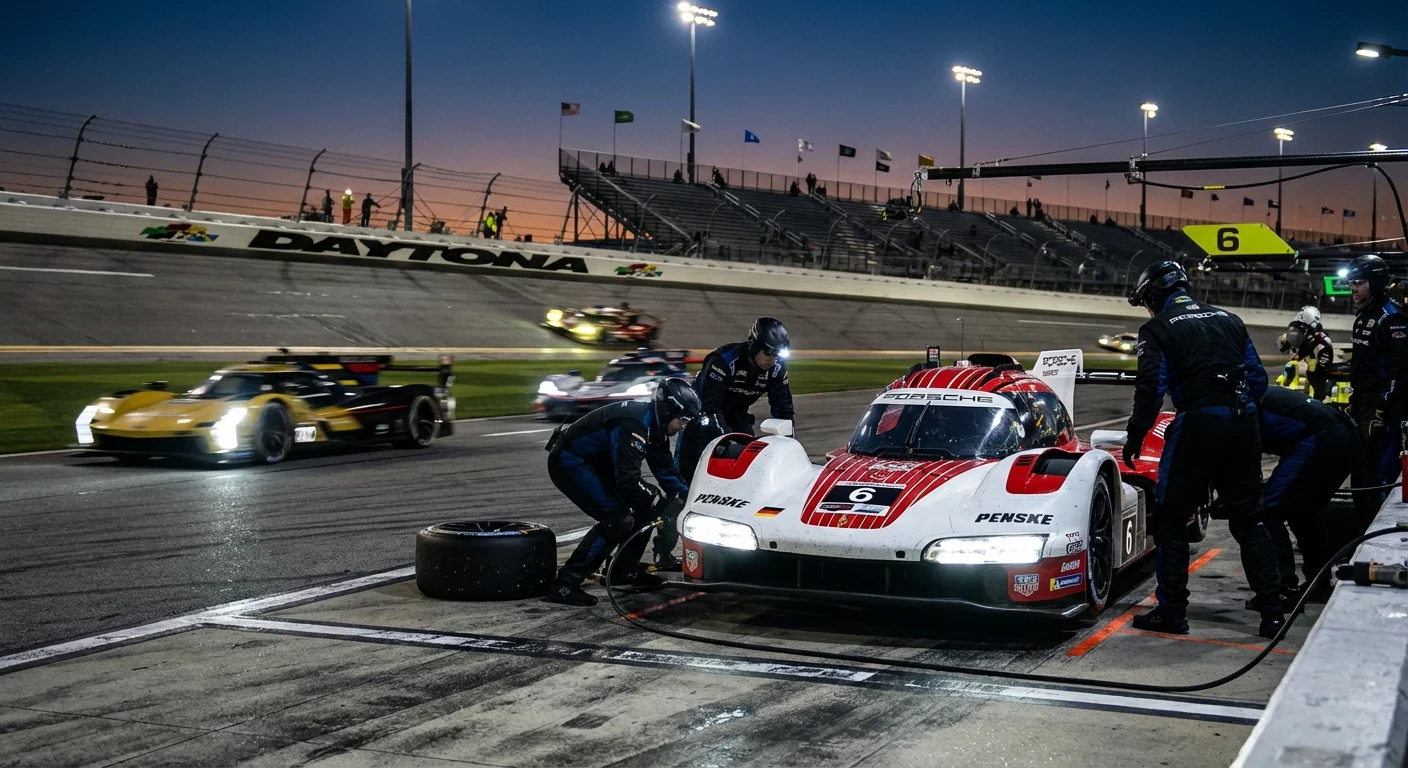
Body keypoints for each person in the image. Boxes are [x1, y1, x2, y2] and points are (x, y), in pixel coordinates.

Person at [1123, 260, 1286, 638]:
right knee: (1250, 519)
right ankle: (1273, 613)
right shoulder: (1230, 319)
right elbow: (1257, 379)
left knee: (1171, 519)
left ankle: (1172, 613)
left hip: (1197, 426)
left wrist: (1136, 435)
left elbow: (1150, 389)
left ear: (1153, 295)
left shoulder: (1158, 328)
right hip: (1242, 425)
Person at [543, 379, 700, 606]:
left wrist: (690, 498)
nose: (684, 426)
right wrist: (658, 501)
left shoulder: (656, 427)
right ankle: (565, 583)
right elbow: (628, 481)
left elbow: (666, 473)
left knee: (648, 510)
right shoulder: (634, 424)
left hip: (597, 463)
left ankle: (622, 572)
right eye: (683, 420)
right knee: (617, 520)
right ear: (668, 411)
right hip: (570, 461)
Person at [670, 318, 797, 566]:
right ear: (753, 347)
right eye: (768, 354)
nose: (772, 360)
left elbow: (784, 409)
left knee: (747, 485)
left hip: (737, 420)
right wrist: (727, 442)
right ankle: (665, 550)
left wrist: (789, 445)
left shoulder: (776, 369)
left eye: (777, 355)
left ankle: (737, 547)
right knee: (683, 487)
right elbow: (710, 408)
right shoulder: (723, 361)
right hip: (700, 422)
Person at [1257, 387, 1359, 598]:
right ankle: (1318, 583)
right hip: (1342, 437)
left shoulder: (1244, 405)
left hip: (1318, 441)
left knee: (1269, 510)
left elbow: (1242, 456)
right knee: (1302, 511)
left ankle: (1280, 587)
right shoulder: (1257, 394)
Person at [1344, 254, 1408, 529]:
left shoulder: (1392, 318)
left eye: (1359, 283)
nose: (1353, 289)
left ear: (1376, 283)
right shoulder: (1363, 317)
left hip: (1383, 409)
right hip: (1362, 405)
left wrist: (1383, 409)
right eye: (1352, 283)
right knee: (1359, 473)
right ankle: (1361, 531)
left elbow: (1401, 372)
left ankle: (1380, 535)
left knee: (1379, 475)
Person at [1275, 306, 1335, 401]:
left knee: (1317, 378)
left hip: (1317, 365)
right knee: (1291, 366)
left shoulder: (1322, 343)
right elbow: (1285, 347)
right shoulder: (1299, 330)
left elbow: (1322, 367)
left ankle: (1318, 400)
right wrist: (1288, 344)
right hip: (1308, 363)